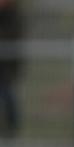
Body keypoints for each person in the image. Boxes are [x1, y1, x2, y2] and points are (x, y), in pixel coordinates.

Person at [0, 0, 23, 137]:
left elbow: (12, 35)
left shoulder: (13, 15)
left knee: (9, 96)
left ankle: (12, 130)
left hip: (7, 67)